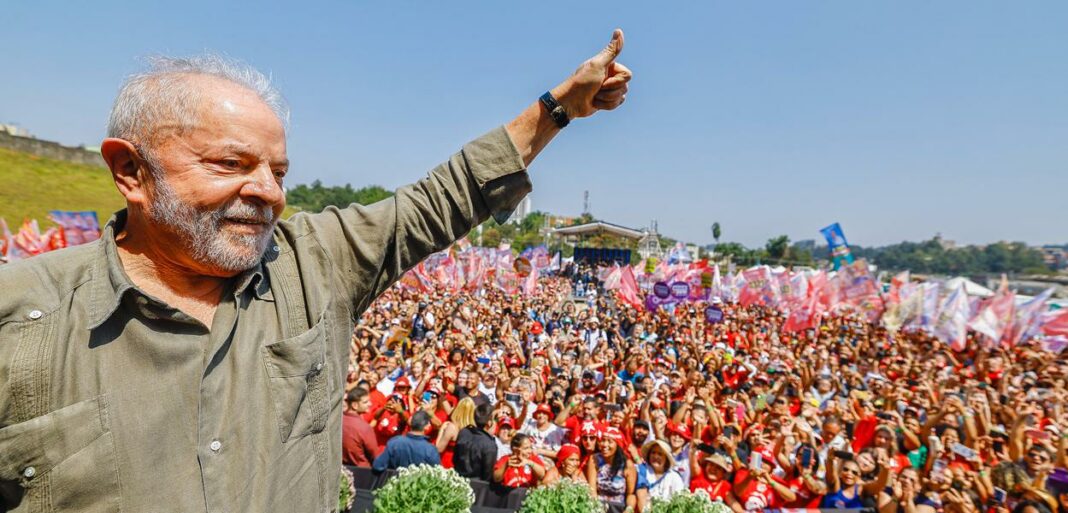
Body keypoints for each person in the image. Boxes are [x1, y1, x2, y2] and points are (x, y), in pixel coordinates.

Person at [0, 29, 631, 512]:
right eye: (230, 164)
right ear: (130, 171)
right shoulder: (20, 316)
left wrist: (557, 108)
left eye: (278, 172)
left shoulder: (313, 262)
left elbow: (441, 199)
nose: (267, 193)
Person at [587, 427, 637, 511]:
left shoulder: (627, 465)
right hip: (599, 505)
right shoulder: (594, 459)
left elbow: (631, 494)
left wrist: (628, 510)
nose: (604, 444)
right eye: (603, 440)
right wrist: (596, 508)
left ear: (618, 445)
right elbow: (592, 490)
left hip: (619, 507)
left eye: (610, 441)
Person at [373, 411, 441, 472]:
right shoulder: (430, 449)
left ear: (410, 422)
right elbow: (437, 473)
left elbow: (378, 465)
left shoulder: (395, 442)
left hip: (396, 481)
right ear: (427, 426)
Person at [454, 402, 499, 481]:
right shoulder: (489, 445)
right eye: (496, 420)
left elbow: (455, 459)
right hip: (478, 485)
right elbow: (488, 475)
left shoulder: (464, 432)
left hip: (458, 480)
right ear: (489, 423)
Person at [636, 439, 687, 509]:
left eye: (660, 454)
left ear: (666, 458)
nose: (656, 456)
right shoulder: (641, 470)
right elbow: (641, 496)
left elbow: (680, 502)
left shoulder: (674, 477)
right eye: (653, 453)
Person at [342, 387, 379, 467]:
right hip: (362, 470)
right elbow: (375, 455)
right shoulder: (364, 427)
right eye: (365, 402)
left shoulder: (339, 421)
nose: (370, 404)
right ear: (354, 405)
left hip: (342, 468)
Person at [436, 397, 476, 469]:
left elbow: (439, 449)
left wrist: (441, 430)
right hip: (465, 464)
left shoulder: (452, 427)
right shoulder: (474, 429)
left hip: (448, 462)